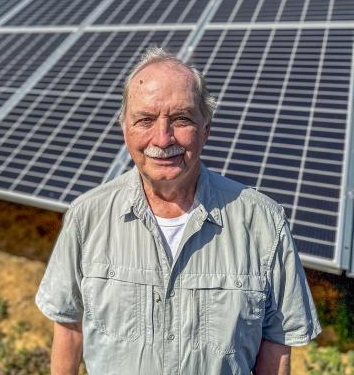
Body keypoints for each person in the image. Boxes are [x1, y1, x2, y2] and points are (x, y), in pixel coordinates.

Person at [35, 47, 321, 374]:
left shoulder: (263, 223)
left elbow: (276, 346)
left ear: (206, 129)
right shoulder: (86, 217)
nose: (162, 137)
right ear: (125, 129)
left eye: (181, 119)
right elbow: (69, 329)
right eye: (145, 120)